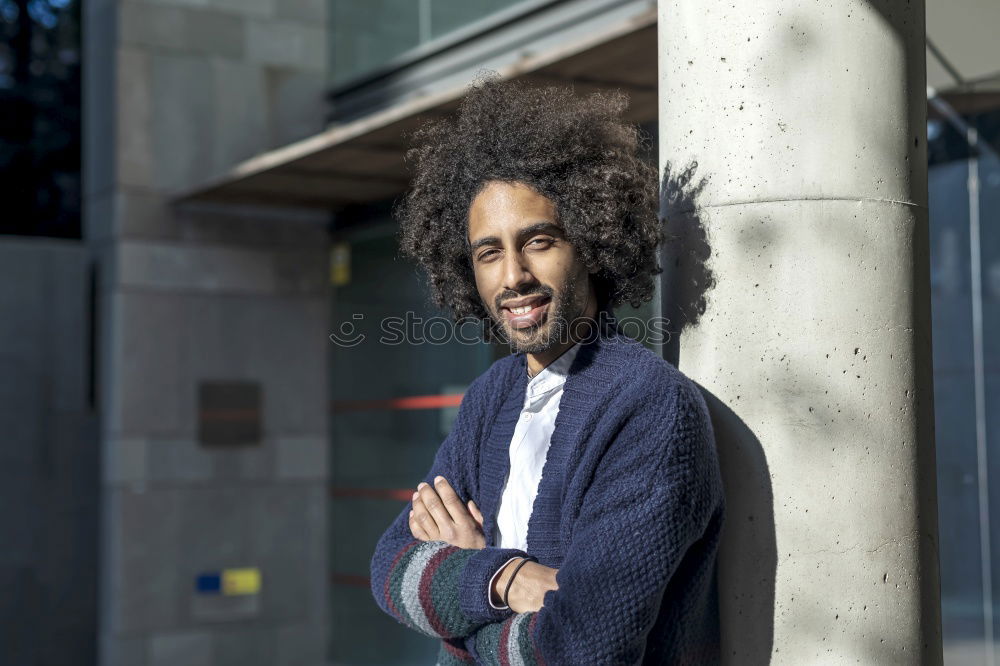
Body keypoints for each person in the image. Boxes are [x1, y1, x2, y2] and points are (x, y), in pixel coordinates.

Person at [369, 76, 724, 665]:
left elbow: (582, 647)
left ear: (590, 240)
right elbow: (389, 566)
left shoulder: (649, 406)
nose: (512, 277)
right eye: (489, 252)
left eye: (538, 242)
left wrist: (457, 594)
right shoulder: (491, 397)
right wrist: (506, 577)